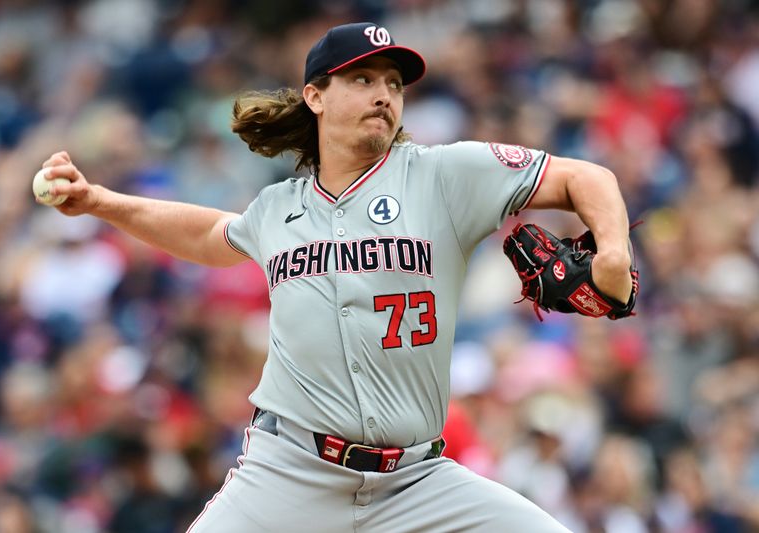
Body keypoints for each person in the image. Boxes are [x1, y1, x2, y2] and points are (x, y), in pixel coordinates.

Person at [39, 22, 633, 533]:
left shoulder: (445, 175)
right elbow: (208, 235)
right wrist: (99, 201)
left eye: (394, 84)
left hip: (418, 483)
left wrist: (612, 251)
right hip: (289, 470)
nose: (384, 94)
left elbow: (588, 178)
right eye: (363, 79)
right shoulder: (279, 209)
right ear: (315, 97)